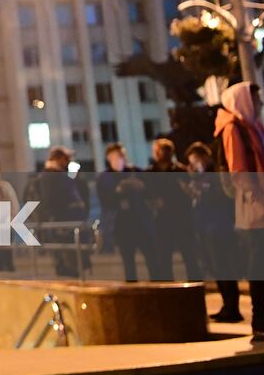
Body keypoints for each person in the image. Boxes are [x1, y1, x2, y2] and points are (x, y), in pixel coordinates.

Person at [215, 81, 264, 340]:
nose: (260, 104)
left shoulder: (252, 127)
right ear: (243, 101)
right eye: (255, 99)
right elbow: (239, 172)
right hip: (260, 210)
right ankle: (260, 317)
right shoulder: (235, 128)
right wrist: (260, 196)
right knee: (262, 264)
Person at [185, 141, 242, 323]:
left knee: (224, 268)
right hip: (204, 228)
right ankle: (226, 305)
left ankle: (232, 307)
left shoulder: (215, 176)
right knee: (215, 268)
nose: (195, 165)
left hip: (219, 228)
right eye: (192, 162)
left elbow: (223, 199)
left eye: (196, 160)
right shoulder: (199, 180)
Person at [146, 138, 202, 281]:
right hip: (162, 221)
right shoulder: (151, 173)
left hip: (181, 218)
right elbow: (145, 195)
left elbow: (190, 193)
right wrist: (153, 202)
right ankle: (168, 289)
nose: (162, 154)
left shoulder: (180, 171)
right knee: (164, 259)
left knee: (189, 256)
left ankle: (194, 287)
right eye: (159, 150)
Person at [96, 143, 151, 282]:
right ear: (108, 158)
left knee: (152, 258)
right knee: (129, 262)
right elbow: (106, 201)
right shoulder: (105, 177)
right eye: (114, 157)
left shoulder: (134, 172)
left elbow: (149, 192)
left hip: (140, 221)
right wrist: (118, 192)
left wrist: (140, 187)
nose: (118, 159)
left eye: (120, 156)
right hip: (121, 225)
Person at [38, 146, 90, 277]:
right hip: (63, 226)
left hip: (71, 223)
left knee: (76, 262)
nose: (69, 161)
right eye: (66, 158)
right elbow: (50, 201)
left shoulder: (62, 175)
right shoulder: (50, 175)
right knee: (68, 263)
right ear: (58, 159)